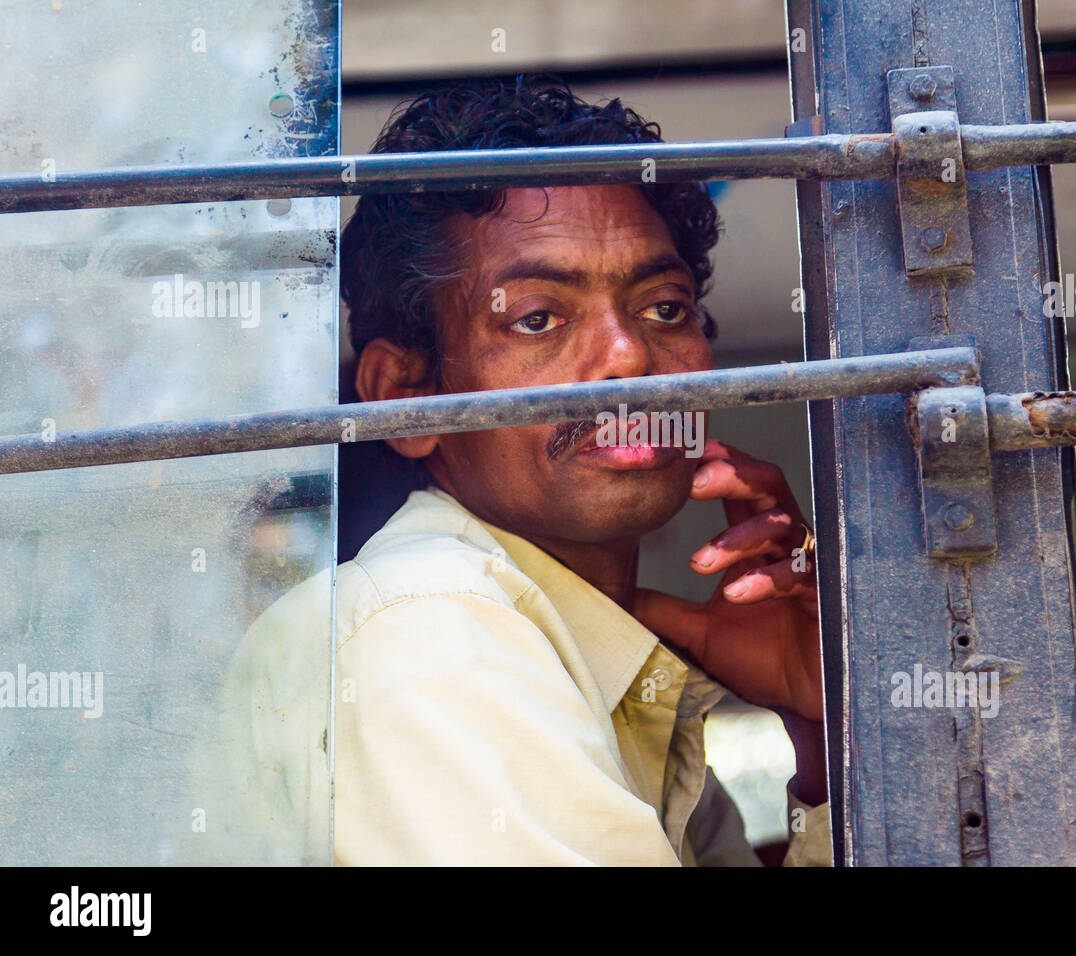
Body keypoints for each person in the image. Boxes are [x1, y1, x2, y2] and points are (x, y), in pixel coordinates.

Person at [218, 74, 830, 866]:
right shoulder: (428, 629)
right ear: (405, 398)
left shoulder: (591, 667)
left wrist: (828, 733)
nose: (629, 358)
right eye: (538, 318)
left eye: (665, 308)